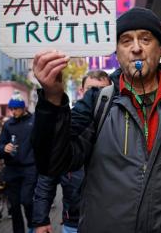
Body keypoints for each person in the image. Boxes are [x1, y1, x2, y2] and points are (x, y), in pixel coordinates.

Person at [32, 7, 161, 232]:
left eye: (145, 38)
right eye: (126, 41)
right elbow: (53, 162)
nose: (136, 48)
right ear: (117, 53)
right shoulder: (97, 103)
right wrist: (52, 99)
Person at [32, 69, 111, 233]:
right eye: (91, 90)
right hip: (73, 221)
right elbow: (47, 175)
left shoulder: (120, 124)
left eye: (103, 91)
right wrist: (41, 220)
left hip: (111, 219)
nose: (96, 95)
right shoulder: (67, 122)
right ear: (82, 91)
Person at [0, 93, 37, 233]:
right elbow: (0, 146)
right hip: (12, 169)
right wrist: (4, 148)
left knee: (27, 200)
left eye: (16, 109)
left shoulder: (34, 121)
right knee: (14, 206)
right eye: (11, 109)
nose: (13, 112)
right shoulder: (8, 124)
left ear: (23, 108)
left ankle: (33, 226)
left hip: (30, 168)